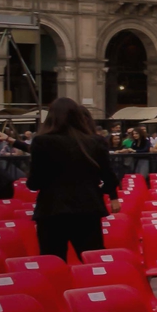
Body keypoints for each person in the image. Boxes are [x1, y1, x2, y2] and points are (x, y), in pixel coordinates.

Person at [26, 96, 119, 258]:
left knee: (53, 261)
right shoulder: (95, 141)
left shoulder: (42, 142)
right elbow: (109, 178)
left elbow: (34, 183)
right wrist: (95, 189)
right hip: (88, 207)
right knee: (93, 261)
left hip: (52, 209)